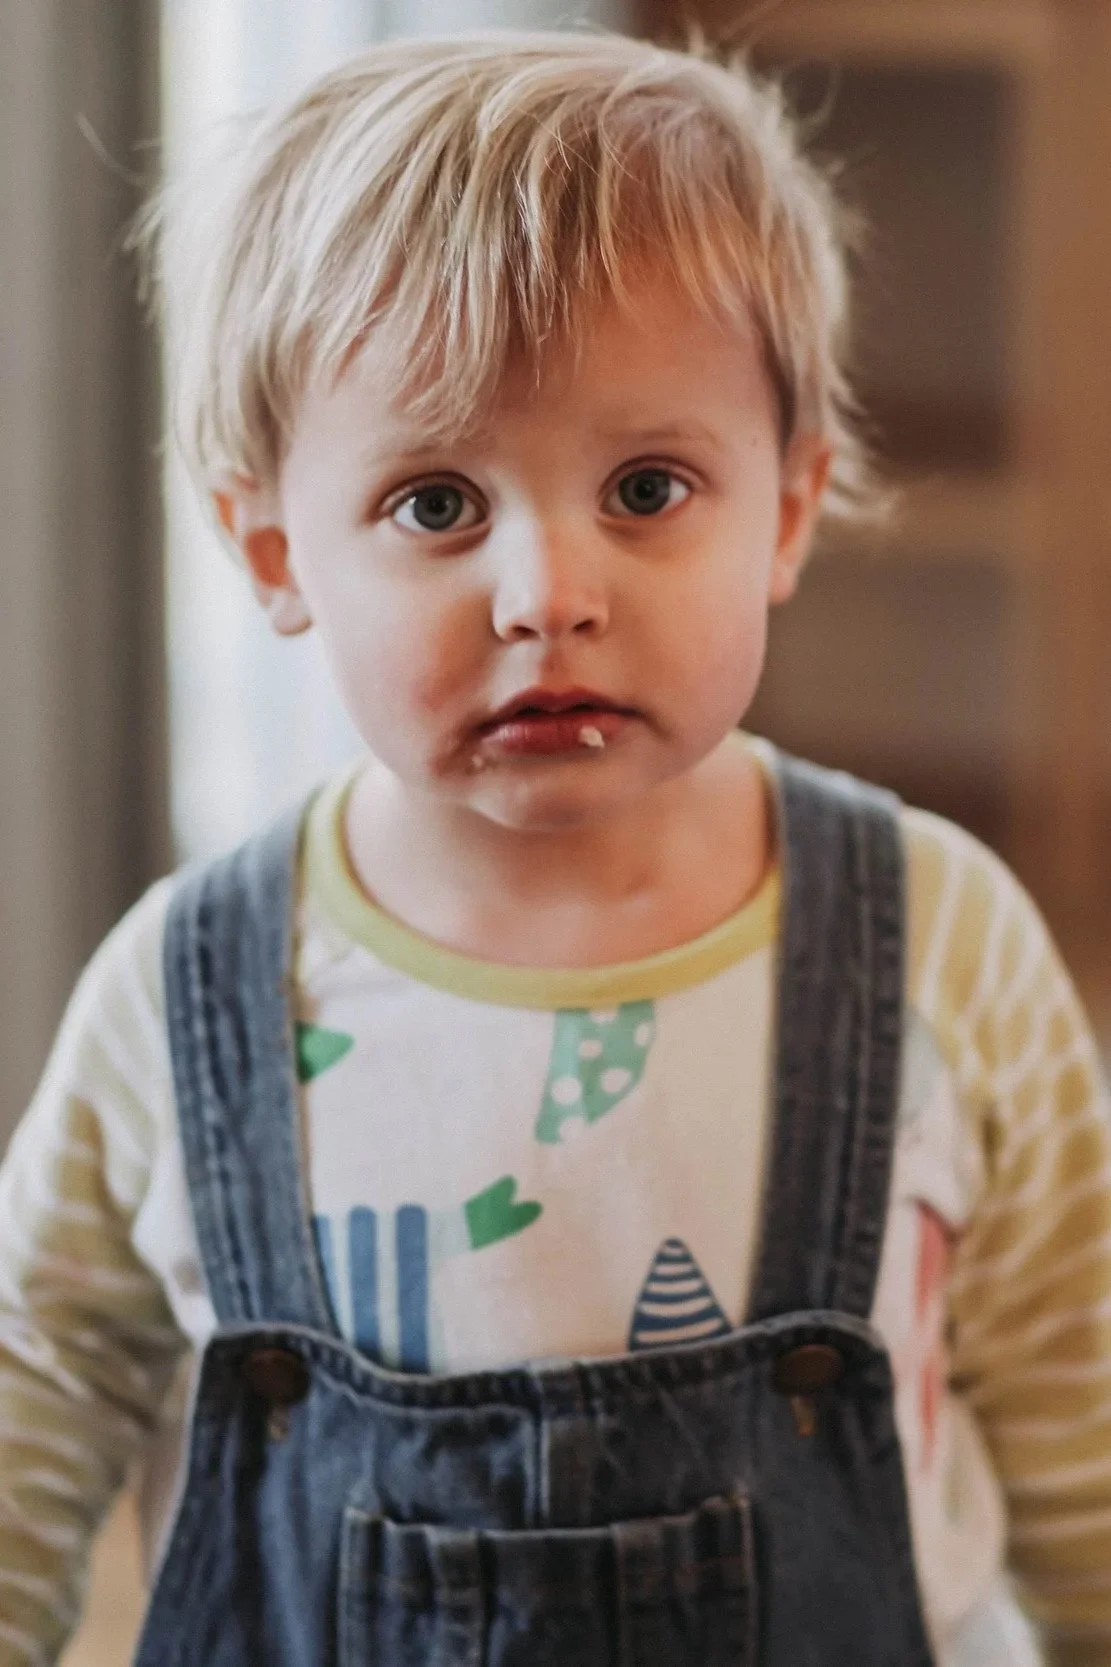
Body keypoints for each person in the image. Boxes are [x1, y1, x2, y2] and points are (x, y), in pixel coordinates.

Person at [1, 30, 1109, 1667]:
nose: (546, 593)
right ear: (271, 549)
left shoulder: (937, 937)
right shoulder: (190, 990)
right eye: (437, 504)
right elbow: (39, 1381)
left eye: (647, 487)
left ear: (789, 510)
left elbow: (1072, 1383)